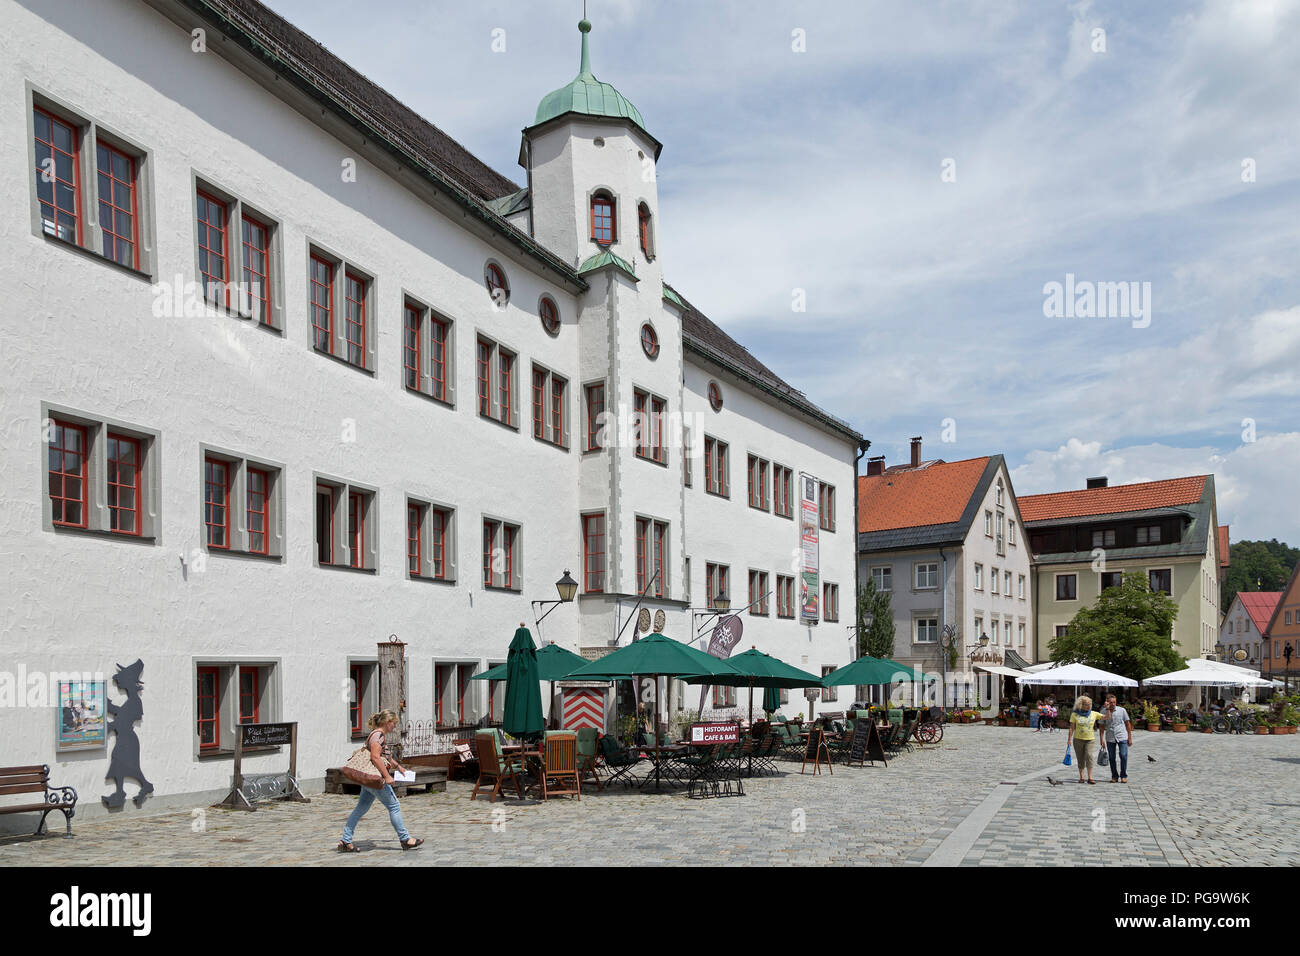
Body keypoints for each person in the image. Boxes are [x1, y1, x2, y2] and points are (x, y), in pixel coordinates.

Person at [337, 710, 423, 852]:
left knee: (360, 809)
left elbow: (385, 756)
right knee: (394, 806)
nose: (394, 727)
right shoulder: (378, 736)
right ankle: (405, 839)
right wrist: (387, 776)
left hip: (369, 780)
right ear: (387, 722)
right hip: (376, 779)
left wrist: (398, 767)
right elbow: (376, 758)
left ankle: (345, 841)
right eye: (394, 723)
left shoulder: (376, 735)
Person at [1065, 695, 1104, 784]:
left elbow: (1106, 717)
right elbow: (1071, 728)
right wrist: (1069, 739)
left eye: (1090, 704)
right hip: (1078, 739)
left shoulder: (1094, 713)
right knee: (1080, 758)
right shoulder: (1074, 714)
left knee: (1089, 756)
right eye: (1086, 704)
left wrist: (1108, 709)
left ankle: (1090, 777)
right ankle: (1082, 777)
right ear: (1080, 704)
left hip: (1090, 739)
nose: (1089, 706)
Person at [1102, 693, 1133, 784]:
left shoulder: (1122, 710)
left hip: (1122, 736)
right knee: (1111, 758)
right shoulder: (1103, 711)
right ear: (1107, 702)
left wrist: (1129, 737)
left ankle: (1123, 775)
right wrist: (1101, 739)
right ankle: (1114, 776)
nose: (1113, 704)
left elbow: (1128, 723)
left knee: (1123, 755)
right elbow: (1101, 726)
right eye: (1111, 702)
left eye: (1114, 702)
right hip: (1110, 737)